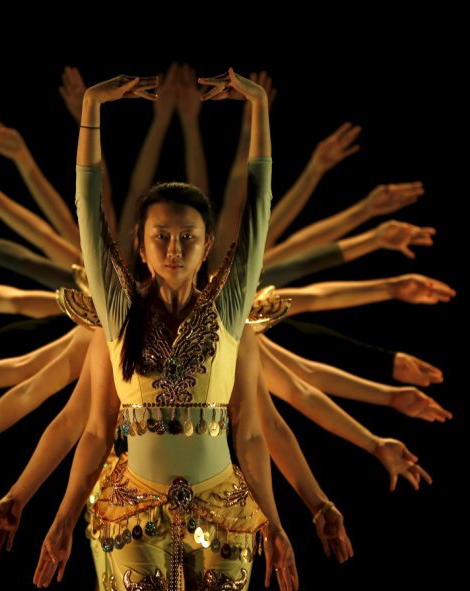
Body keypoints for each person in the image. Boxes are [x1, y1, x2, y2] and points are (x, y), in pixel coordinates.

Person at [31, 70, 298, 591]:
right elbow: (88, 208)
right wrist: (91, 109)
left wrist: (259, 105)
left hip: (227, 512)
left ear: (207, 243)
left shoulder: (226, 305)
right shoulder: (119, 309)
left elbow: (258, 204)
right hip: (132, 512)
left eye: (187, 237)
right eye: (161, 237)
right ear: (142, 241)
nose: (174, 249)